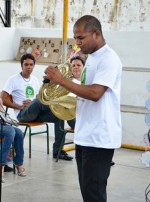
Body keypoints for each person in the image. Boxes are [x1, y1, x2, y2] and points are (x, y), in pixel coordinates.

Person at [44, 15, 122, 202]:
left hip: (99, 137)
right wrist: (55, 86)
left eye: (81, 38)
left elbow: (95, 93)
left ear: (96, 34)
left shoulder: (109, 59)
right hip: (85, 134)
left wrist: (62, 80)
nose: (77, 43)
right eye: (75, 38)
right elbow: (82, 90)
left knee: (94, 194)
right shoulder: (92, 58)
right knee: (88, 193)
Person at [1, 53, 73, 160]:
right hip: (23, 114)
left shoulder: (34, 79)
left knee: (59, 115)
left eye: (31, 65)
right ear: (21, 66)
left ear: (34, 66)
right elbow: (3, 98)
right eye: (26, 65)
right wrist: (19, 106)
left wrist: (34, 102)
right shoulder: (13, 79)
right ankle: (66, 113)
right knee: (41, 101)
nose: (29, 67)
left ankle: (58, 151)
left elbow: (38, 97)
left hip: (36, 112)